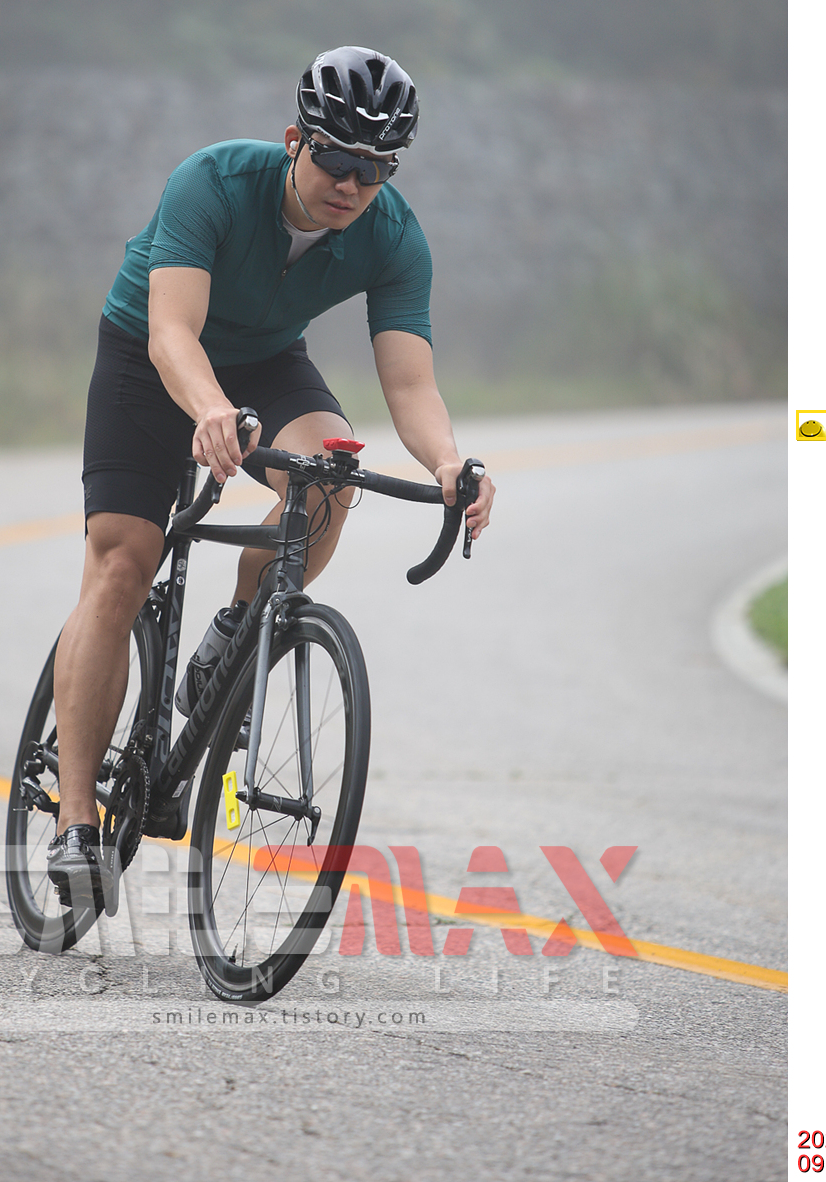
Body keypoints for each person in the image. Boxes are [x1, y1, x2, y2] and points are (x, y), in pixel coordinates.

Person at [46, 46, 496, 906]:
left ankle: (240, 626)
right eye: (336, 159)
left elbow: (410, 384)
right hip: (150, 357)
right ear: (296, 140)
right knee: (123, 564)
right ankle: (74, 820)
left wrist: (447, 461)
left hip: (262, 363)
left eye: (376, 168)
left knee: (330, 479)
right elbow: (173, 333)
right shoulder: (214, 182)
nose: (352, 184)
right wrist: (210, 409)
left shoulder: (393, 235)